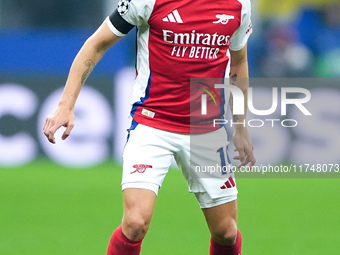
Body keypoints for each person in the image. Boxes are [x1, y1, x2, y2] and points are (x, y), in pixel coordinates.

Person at [43, 0, 256, 254]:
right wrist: (66, 104)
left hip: (206, 129)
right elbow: (96, 44)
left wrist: (241, 126)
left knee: (227, 232)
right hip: (152, 123)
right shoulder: (148, 1)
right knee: (135, 223)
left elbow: (238, 62)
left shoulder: (238, 4)